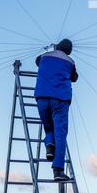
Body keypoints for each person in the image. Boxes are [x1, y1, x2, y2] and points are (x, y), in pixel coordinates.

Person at [34, 39, 78, 181]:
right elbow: (74, 78)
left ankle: (49, 147)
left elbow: (37, 61)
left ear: (58, 46)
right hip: (60, 100)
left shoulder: (44, 57)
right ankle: (58, 171)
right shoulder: (70, 62)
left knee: (49, 128)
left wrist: (51, 52)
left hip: (42, 99)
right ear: (69, 51)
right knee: (60, 133)